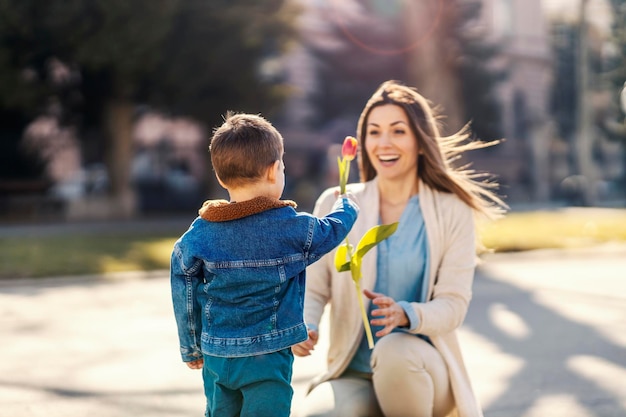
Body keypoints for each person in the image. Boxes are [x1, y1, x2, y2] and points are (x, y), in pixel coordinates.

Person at [293, 80, 506, 417]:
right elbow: (313, 288)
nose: (384, 143)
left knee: (394, 350)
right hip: (355, 374)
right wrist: (306, 325)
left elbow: (453, 305)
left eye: (398, 131)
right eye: (374, 132)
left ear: (420, 142)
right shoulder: (335, 204)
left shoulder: (452, 209)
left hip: (424, 369)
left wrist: (408, 314)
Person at [170, 112, 359, 417]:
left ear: (220, 177)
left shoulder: (199, 233)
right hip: (268, 357)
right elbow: (332, 229)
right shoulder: (293, 228)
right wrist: (347, 205)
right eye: (282, 166)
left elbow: (184, 286)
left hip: (218, 353)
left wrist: (191, 346)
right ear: (274, 171)